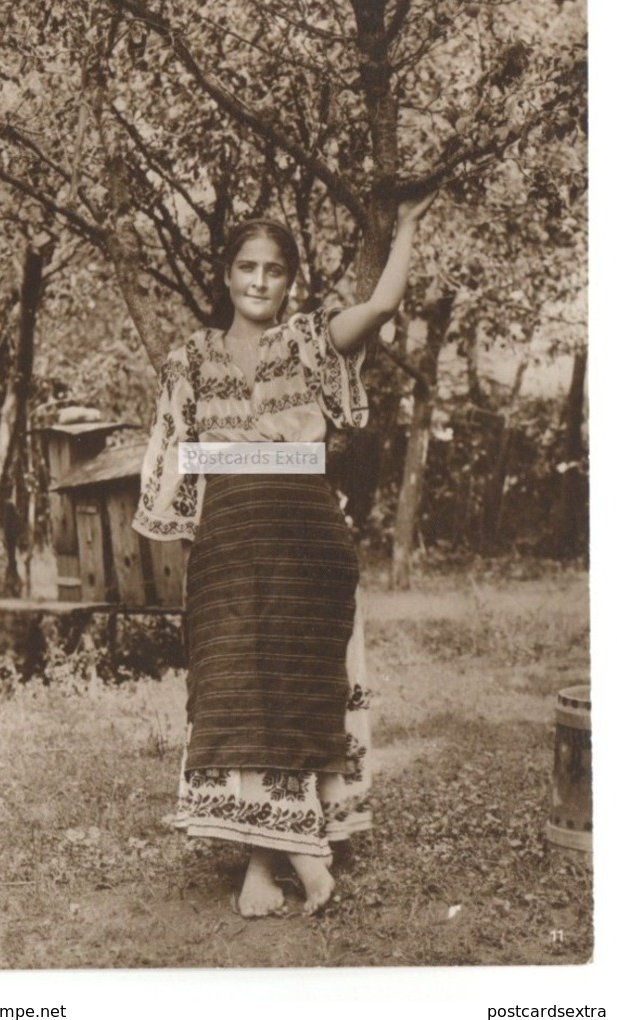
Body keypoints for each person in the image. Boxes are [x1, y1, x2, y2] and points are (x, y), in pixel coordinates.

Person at [133, 197, 434, 917]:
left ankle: (265, 872)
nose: (260, 281)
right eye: (247, 267)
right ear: (226, 273)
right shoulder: (191, 358)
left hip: (307, 545)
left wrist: (408, 225)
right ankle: (289, 859)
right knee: (237, 697)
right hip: (231, 545)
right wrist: (257, 459)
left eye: (274, 270)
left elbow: (386, 302)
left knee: (293, 693)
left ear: (291, 280)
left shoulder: (312, 340)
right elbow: (180, 464)